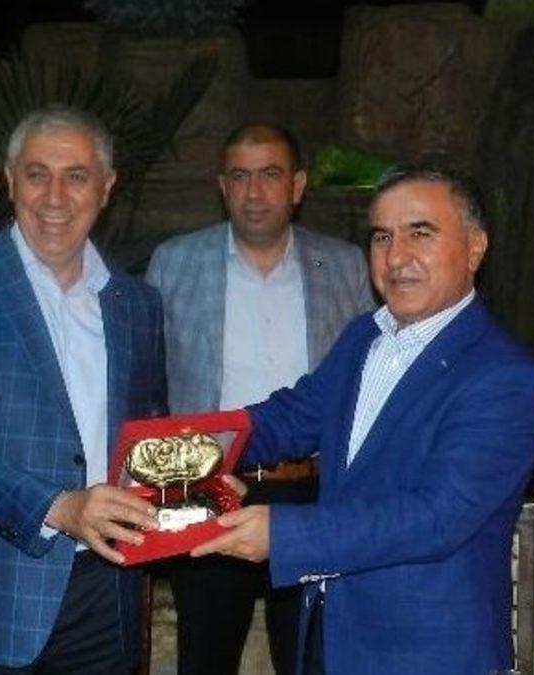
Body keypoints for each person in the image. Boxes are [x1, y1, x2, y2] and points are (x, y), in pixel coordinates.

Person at [193, 161, 534, 675]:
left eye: (420, 233)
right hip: (330, 637)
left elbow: (436, 516)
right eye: (382, 236)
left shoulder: (503, 377)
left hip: (424, 656)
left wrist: (283, 535)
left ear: (475, 248)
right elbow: (292, 417)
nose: (396, 257)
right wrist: (183, 450)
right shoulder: (366, 336)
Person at [0, 105, 169, 673]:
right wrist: (58, 507)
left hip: (104, 594)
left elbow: (148, 438)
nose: (54, 197)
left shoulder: (138, 305)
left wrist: (199, 487)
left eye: (77, 177)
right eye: (37, 174)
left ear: (106, 187)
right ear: (9, 180)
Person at [144, 123, 374, 675]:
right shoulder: (175, 262)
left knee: (312, 658)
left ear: (298, 185)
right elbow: (147, 382)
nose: (254, 192)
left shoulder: (346, 264)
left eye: (269, 175)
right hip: (209, 487)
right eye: (240, 176)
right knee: (204, 659)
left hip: (314, 492)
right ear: (222, 186)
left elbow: (371, 379)